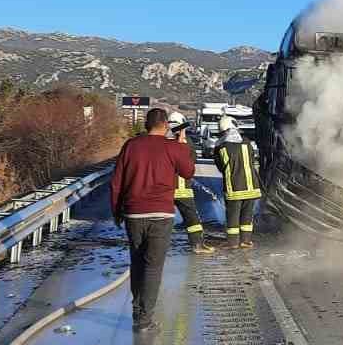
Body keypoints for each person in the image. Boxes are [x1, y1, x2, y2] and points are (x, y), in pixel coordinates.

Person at [110, 107, 196, 330]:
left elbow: (116, 182)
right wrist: (182, 144)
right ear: (166, 125)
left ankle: (137, 309)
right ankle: (144, 318)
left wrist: (116, 211)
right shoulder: (173, 147)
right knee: (153, 266)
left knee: (137, 262)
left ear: (146, 125)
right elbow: (188, 172)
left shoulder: (130, 146)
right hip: (161, 214)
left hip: (134, 213)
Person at [166, 112, 215, 255]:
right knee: (192, 218)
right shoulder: (186, 142)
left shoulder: (161, 142)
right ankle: (197, 245)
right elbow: (191, 161)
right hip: (181, 187)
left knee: (160, 218)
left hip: (163, 188)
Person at [212, 115, 261, 249]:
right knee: (247, 216)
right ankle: (246, 241)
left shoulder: (220, 147)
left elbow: (220, 167)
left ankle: (233, 243)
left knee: (233, 216)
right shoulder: (247, 143)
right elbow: (252, 160)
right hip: (252, 187)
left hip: (234, 188)